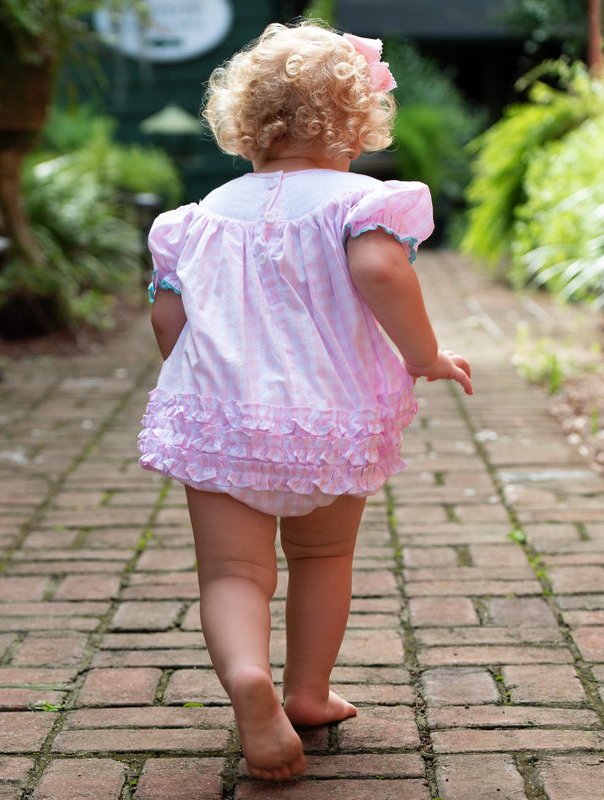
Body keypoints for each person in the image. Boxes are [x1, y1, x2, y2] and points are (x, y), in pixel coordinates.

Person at [138, 20, 472, 781]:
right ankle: (307, 693)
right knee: (324, 555)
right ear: (357, 124)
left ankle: (247, 680)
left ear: (243, 123)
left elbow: (168, 317)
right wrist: (423, 355)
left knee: (231, 574)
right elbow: (383, 270)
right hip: (327, 418)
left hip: (221, 419)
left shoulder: (196, 218)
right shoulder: (363, 200)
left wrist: (201, 387)